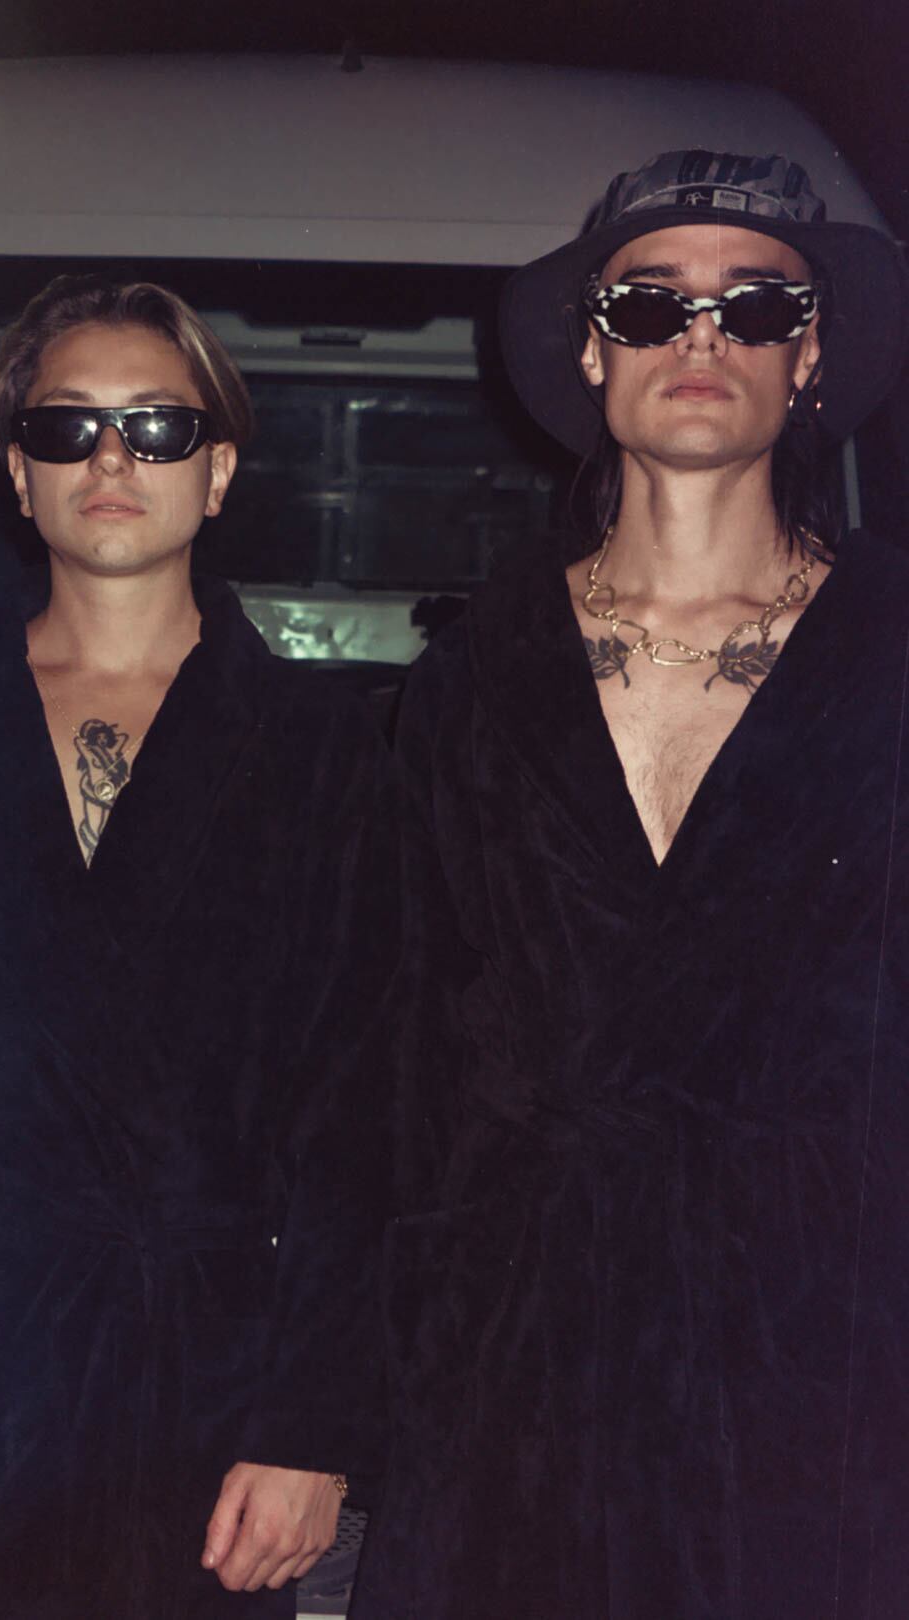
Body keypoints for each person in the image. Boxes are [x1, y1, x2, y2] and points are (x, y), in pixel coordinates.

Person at [352, 151, 909, 1619]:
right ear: (595, 350)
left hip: (823, 1375)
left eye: (756, 303)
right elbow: (393, 1070)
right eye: (651, 303)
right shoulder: (475, 678)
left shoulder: (894, 654)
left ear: (809, 354)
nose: (702, 334)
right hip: (511, 1370)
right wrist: (339, 1403)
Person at [0, 275, 396, 1618]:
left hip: (202, 1395)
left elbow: (363, 1119)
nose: (110, 459)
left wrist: (312, 1426)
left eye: (156, 426)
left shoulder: (331, 757)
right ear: (17, 474)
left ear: (219, 469)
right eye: (66, 426)